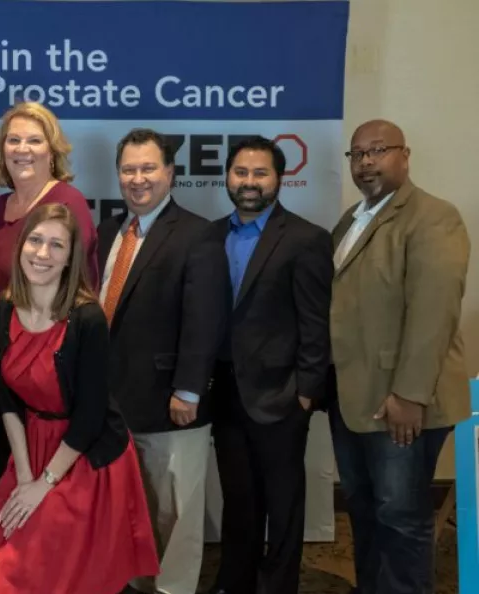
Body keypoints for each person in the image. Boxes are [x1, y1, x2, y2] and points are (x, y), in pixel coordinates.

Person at [0, 203, 159, 594]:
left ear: (71, 258)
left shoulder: (87, 318)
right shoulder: (2, 308)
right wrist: (23, 476)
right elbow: (8, 400)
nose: (42, 253)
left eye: (56, 245)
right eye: (35, 240)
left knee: (46, 561)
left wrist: (44, 484)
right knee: (1, 557)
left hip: (85, 453)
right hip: (30, 447)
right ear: (20, 246)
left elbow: (90, 414)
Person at [330, 119, 471, 594]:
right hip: (355, 398)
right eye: (357, 154)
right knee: (366, 510)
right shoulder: (352, 219)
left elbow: (434, 314)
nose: (366, 162)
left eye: (378, 150)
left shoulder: (433, 216)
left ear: (404, 156)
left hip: (401, 402)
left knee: (402, 517)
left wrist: (409, 395)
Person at [97, 129, 228, 594]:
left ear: (170, 173)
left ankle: (173, 588)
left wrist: (188, 390)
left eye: (148, 168)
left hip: (172, 404)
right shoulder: (110, 230)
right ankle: (137, 583)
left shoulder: (198, 235)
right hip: (114, 402)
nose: (138, 179)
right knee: (132, 507)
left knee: (176, 513)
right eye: (129, 169)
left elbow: (205, 319)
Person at [205, 136, 333, 594]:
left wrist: (306, 391)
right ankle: (235, 582)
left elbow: (316, 324)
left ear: (279, 178)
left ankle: (277, 586)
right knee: (239, 500)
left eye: (260, 173)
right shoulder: (210, 235)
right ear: (227, 177)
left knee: (283, 504)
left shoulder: (306, 239)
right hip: (225, 394)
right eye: (241, 172)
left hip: (282, 396)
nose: (249, 182)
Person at [0, 101, 99, 493]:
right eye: (13, 140)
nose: (22, 149)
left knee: (40, 494)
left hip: (41, 381)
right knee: (3, 485)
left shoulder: (66, 204)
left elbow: (66, 300)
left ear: (52, 150)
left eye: (34, 140)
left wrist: (6, 367)